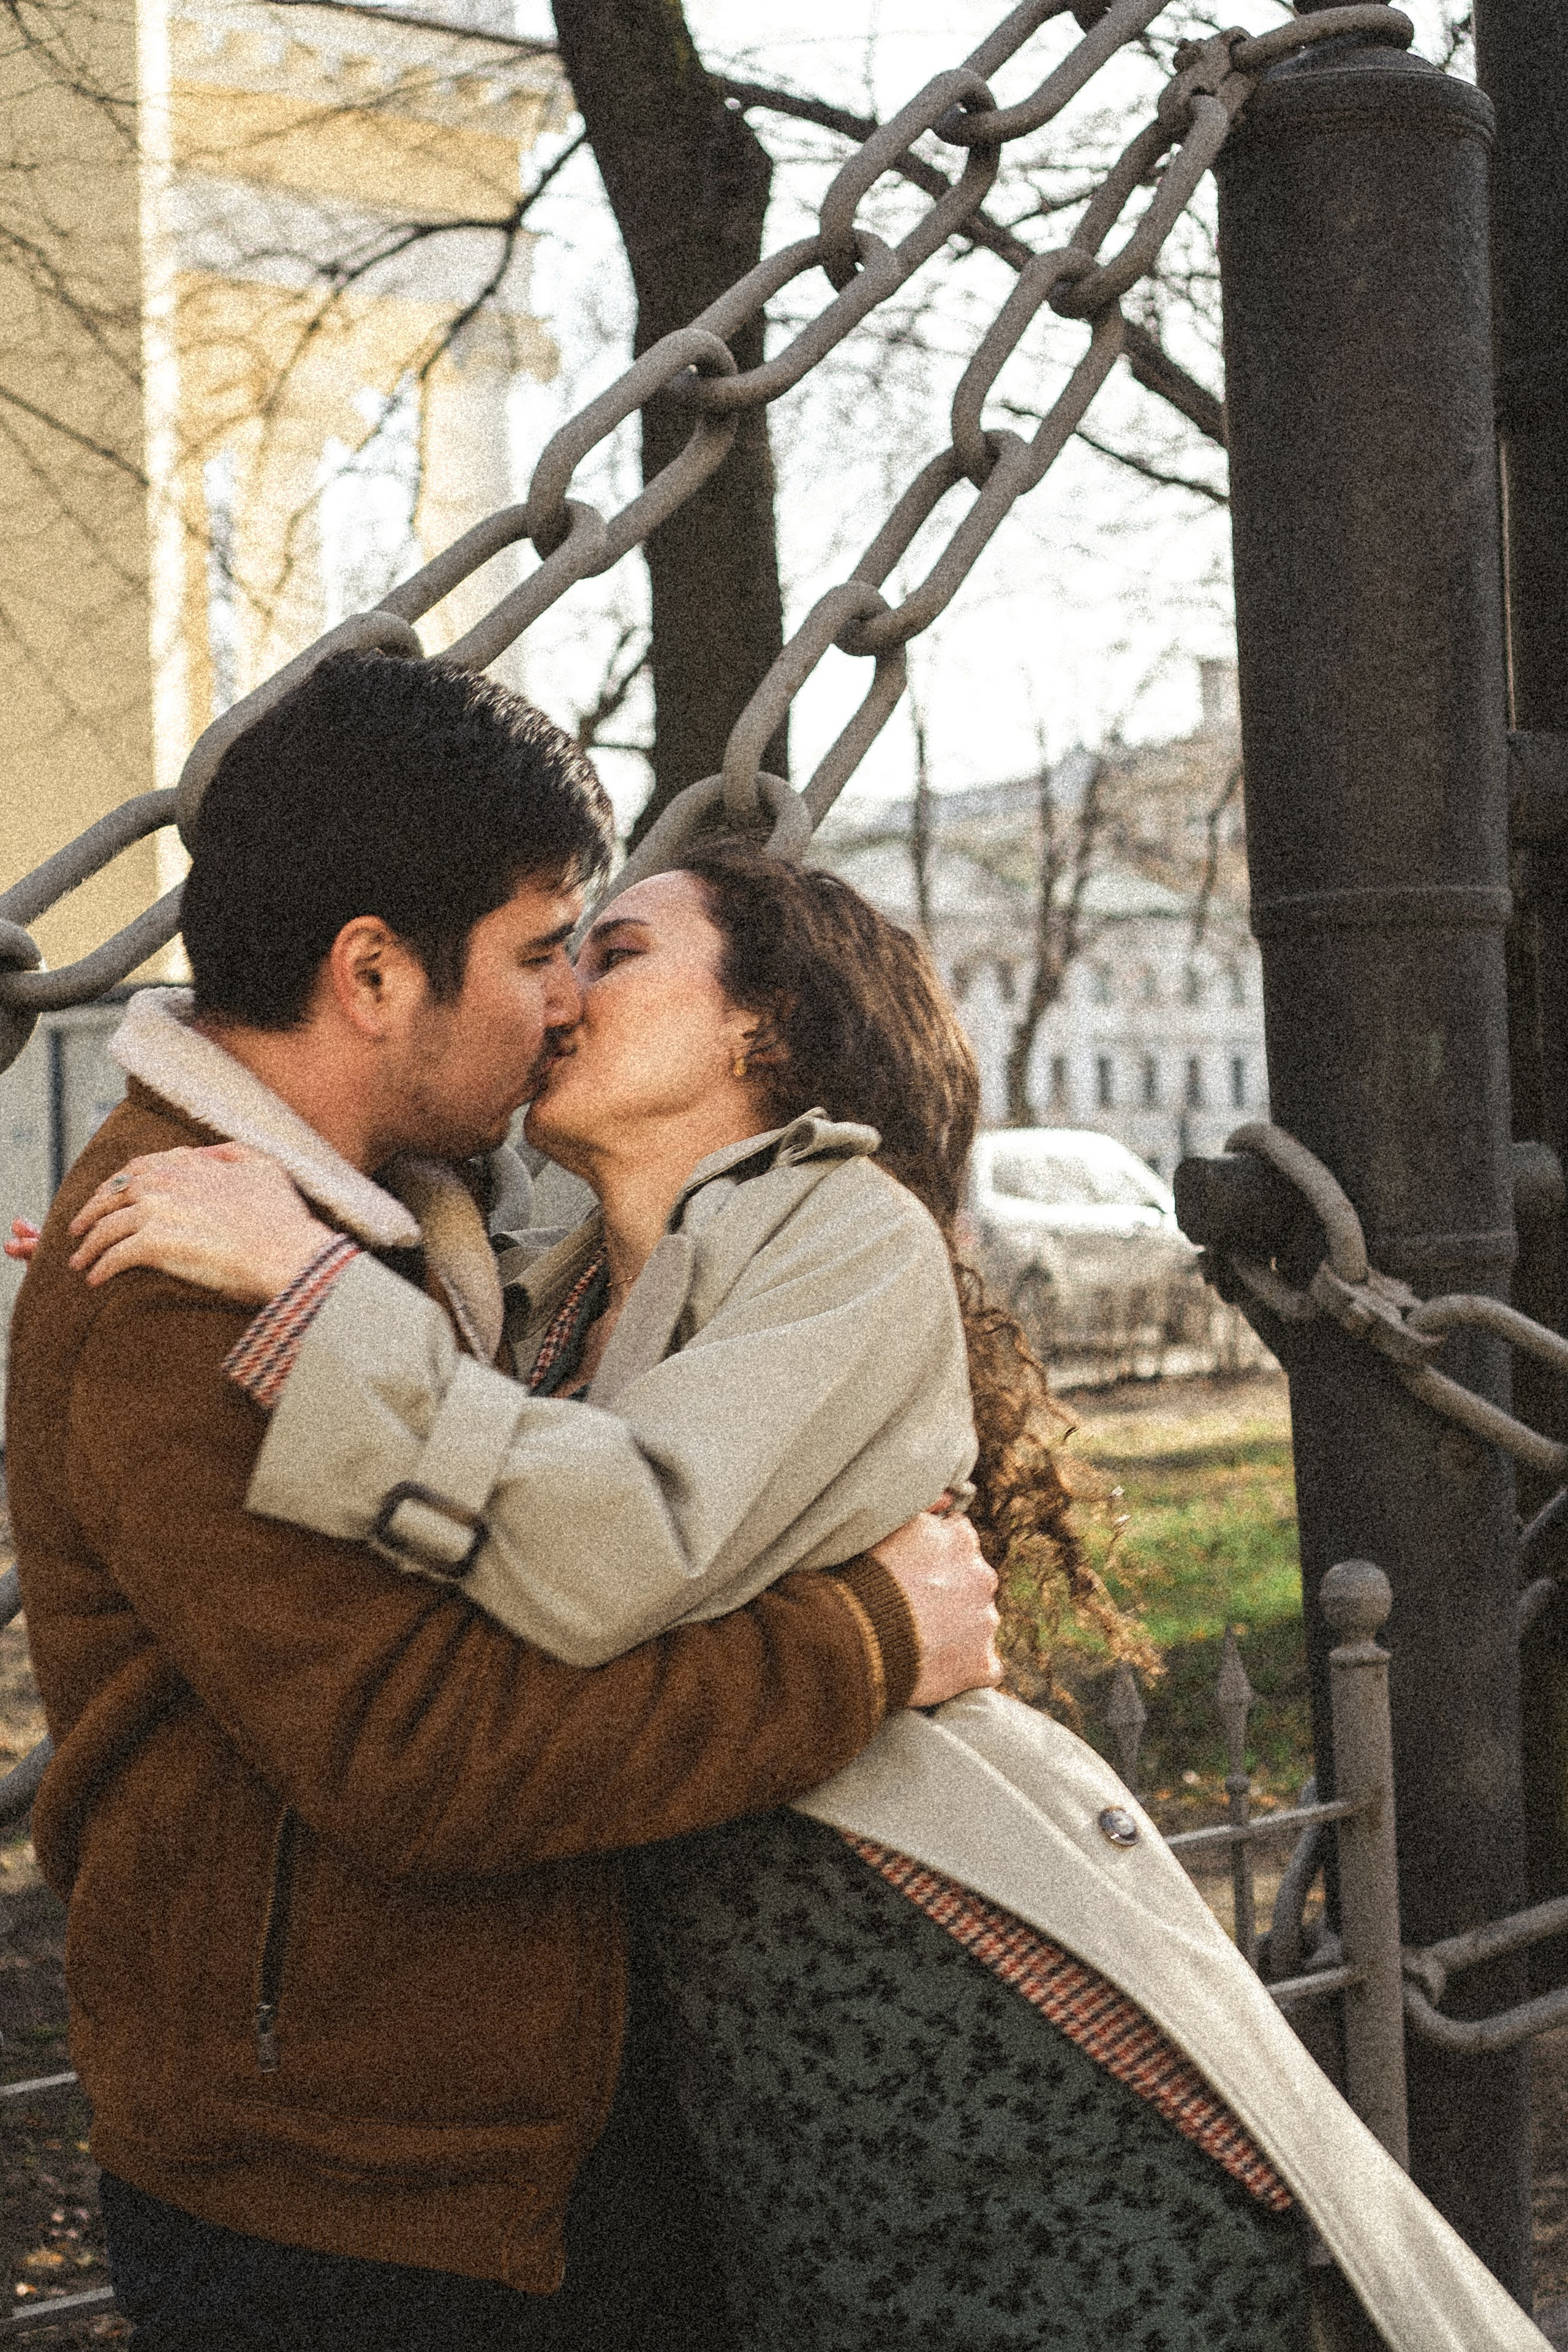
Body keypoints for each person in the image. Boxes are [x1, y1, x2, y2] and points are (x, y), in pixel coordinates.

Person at [50, 843, 1552, 2351]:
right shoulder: (547, 1276)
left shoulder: (847, 1233)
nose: (564, 991)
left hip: (933, 2003)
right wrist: (213, 1264)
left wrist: (309, 1299)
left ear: (761, 1026)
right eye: (557, 954)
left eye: (617, 953)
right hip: (732, 2055)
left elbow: (619, 1540)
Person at [1, 650, 1001, 2352]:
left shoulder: (413, 1233)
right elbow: (434, 1748)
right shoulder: (194, 1283)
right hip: (340, 2209)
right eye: (548, 947)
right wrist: (863, 1644)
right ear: (377, 973)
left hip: (470, 2151)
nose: (560, 1000)